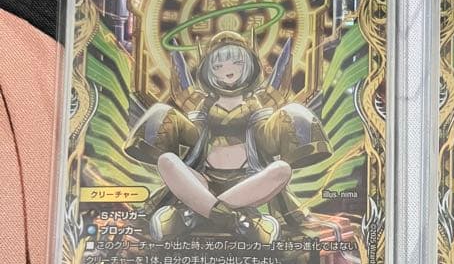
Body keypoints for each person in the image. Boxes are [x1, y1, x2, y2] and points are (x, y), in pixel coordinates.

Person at [125, 30, 331, 241]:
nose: (228, 70)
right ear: (208, 71)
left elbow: (267, 141)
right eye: (218, 66)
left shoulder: (254, 105)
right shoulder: (203, 106)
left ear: (249, 66)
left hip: (247, 182)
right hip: (202, 180)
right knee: (167, 160)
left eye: (237, 63)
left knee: (281, 169)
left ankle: (197, 213)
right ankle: (238, 220)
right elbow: (193, 137)